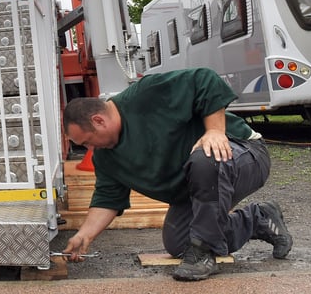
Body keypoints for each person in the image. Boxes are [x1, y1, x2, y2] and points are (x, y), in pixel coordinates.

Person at [61, 67, 293, 282]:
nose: (90, 149)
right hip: (196, 186)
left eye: (88, 141)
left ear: (98, 120)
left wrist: (214, 131)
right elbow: (107, 199)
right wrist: (85, 235)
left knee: (205, 157)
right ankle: (258, 219)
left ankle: (203, 254)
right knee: (180, 243)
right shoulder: (106, 158)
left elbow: (205, 79)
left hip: (243, 155)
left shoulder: (146, 95)